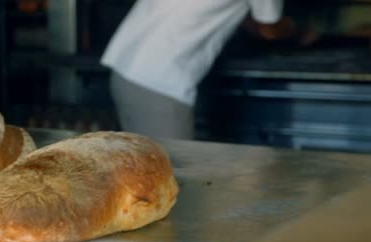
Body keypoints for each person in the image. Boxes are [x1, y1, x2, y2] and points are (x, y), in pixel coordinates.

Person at [102, 0, 306, 141]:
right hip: (159, 83)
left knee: (147, 177)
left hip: (125, 70)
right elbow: (269, 28)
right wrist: (303, 31)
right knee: (175, 184)